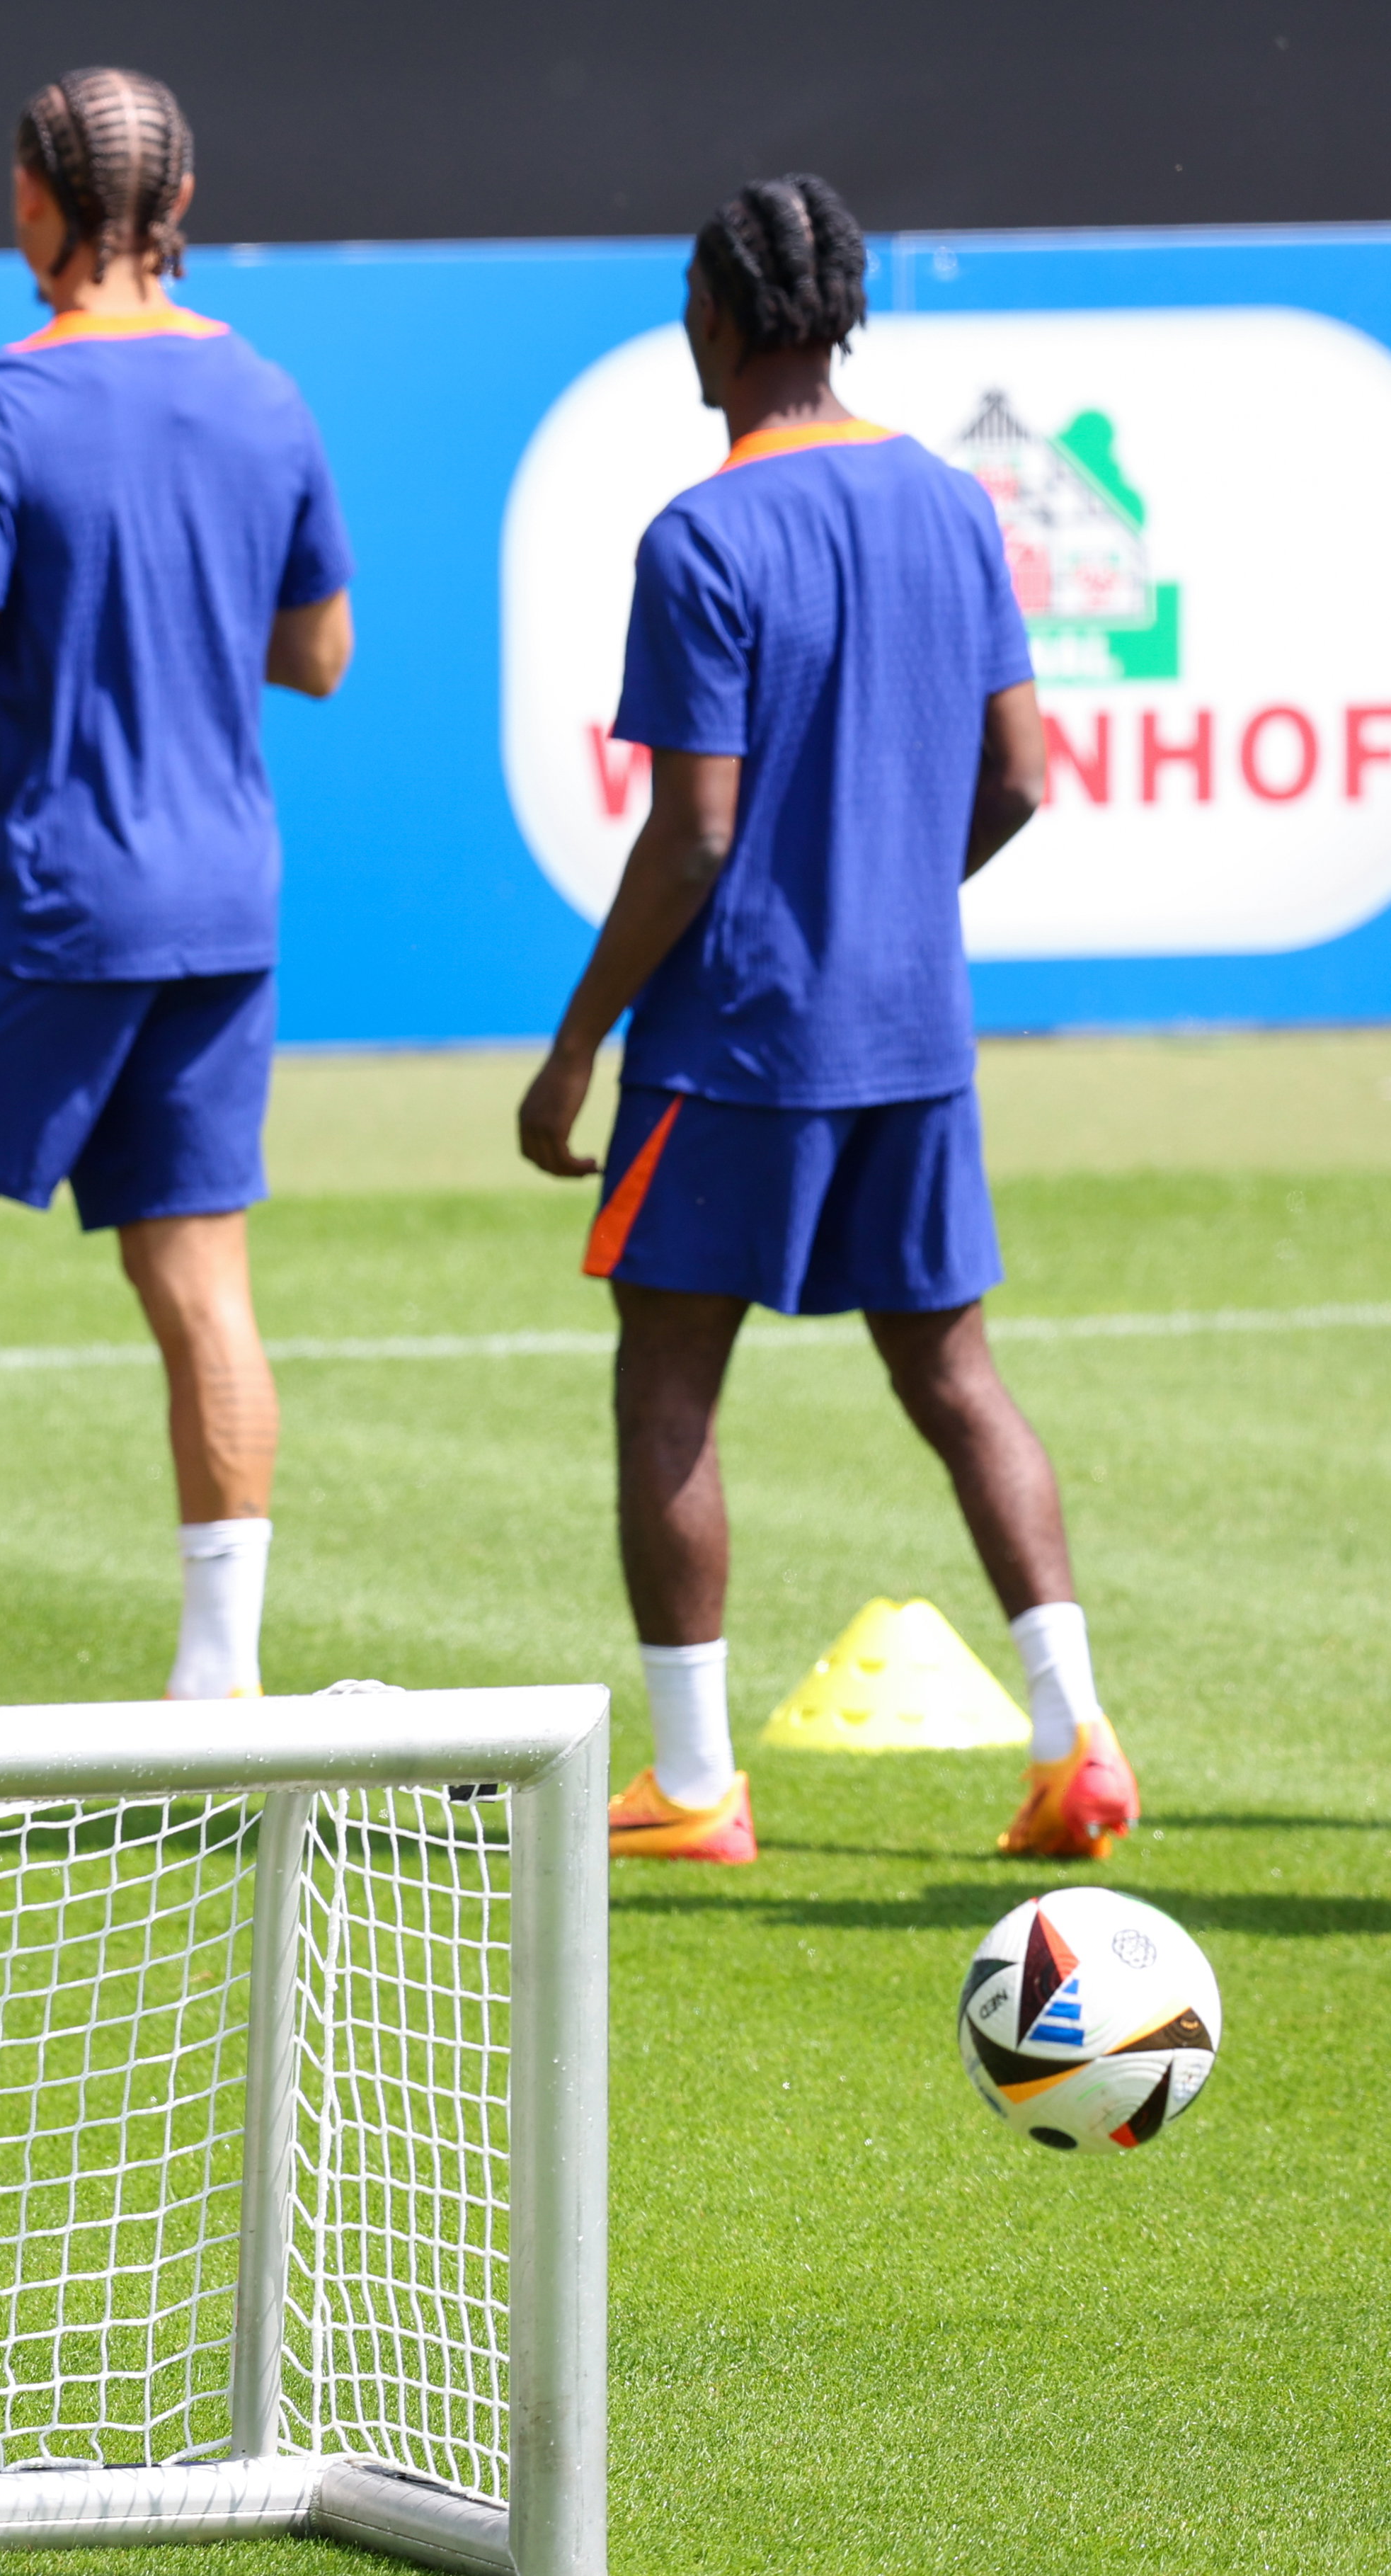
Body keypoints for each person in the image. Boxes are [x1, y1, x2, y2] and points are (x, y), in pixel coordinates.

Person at [518, 176, 1133, 1867]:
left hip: (737, 1039)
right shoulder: (948, 502)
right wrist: (894, 903)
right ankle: (1077, 1738)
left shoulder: (703, 532)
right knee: (955, 1372)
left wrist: (578, 1037)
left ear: (712, 319)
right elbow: (1020, 774)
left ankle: (700, 1783)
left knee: (668, 1383)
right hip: (915, 1027)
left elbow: (698, 829)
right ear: (846, 314)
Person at [0, 67, 350, 1712]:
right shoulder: (267, 393)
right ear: (179, 207)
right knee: (202, 1287)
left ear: (39, 202)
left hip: (57, 897)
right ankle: (220, 1685)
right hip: (225, 908)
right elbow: (319, 654)